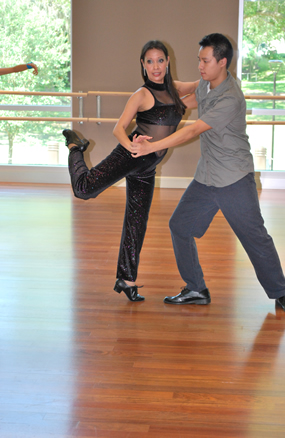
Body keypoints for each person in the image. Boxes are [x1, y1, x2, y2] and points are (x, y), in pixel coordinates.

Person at [130, 33, 285, 311]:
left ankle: (281, 291)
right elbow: (181, 97)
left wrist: (149, 147)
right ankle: (196, 288)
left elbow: (192, 130)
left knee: (254, 237)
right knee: (180, 226)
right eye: (199, 60)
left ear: (222, 62)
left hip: (234, 179)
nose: (200, 66)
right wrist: (154, 79)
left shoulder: (230, 97)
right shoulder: (207, 84)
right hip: (206, 177)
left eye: (205, 60)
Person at [62, 40, 198, 302]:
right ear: (143, 65)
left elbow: (201, 86)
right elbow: (119, 128)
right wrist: (131, 147)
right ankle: (75, 148)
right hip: (130, 156)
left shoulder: (175, 88)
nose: (155, 66)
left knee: (137, 221)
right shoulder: (142, 94)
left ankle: (126, 280)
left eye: (160, 60)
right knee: (83, 190)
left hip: (148, 165)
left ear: (168, 62)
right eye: (149, 61)